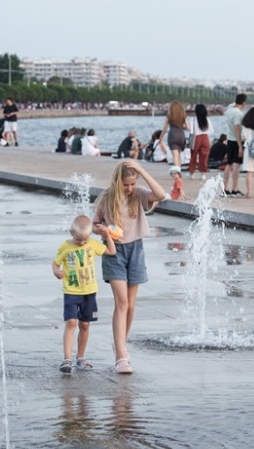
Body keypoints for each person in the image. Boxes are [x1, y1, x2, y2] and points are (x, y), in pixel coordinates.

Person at [93, 160, 167, 374]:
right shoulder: (107, 198)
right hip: (113, 251)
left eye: (132, 183)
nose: (129, 188)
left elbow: (161, 195)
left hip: (136, 250)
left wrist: (142, 171)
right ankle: (120, 357)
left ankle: (120, 345)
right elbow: (95, 224)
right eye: (125, 184)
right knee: (122, 302)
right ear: (117, 182)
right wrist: (104, 230)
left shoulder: (139, 194)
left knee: (131, 305)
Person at [52, 214, 117, 373]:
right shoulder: (65, 247)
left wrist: (107, 235)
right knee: (71, 322)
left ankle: (80, 357)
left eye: (85, 240)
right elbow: (55, 263)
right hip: (72, 291)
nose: (82, 243)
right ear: (71, 233)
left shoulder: (92, 244)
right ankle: (67, 359)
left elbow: (111, 251)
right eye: (79, 240)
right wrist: (57, 271)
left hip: (89, 292)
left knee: (85, 324)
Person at [223, 93, 248, 196]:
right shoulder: (239, 114)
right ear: (244, 103)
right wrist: (240, 147)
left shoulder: (229, 109)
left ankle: (224, 188)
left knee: (229, 164)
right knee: (236, 165)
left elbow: (233, 103)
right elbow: (237, 129)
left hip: (229, 139)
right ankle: (235, 188)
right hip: (237, 140)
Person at [186, 103, 213, 180]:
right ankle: (203, 173)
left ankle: (192, 172)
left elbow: (191, 131)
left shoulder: (193, 119)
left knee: (193, 156)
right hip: (205, 138)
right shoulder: (207, 120)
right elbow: (210, 130)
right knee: (204, 156)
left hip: (196, 138)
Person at [159, 101, 187, 174]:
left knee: (175, 155)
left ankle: (176, 171)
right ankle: (179, 169)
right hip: (181, 135)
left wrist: (160, 137)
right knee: (179, 154)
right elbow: (188, 127)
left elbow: (165, 129)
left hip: (172, 136)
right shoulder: (183, 115)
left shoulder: (169, 116)